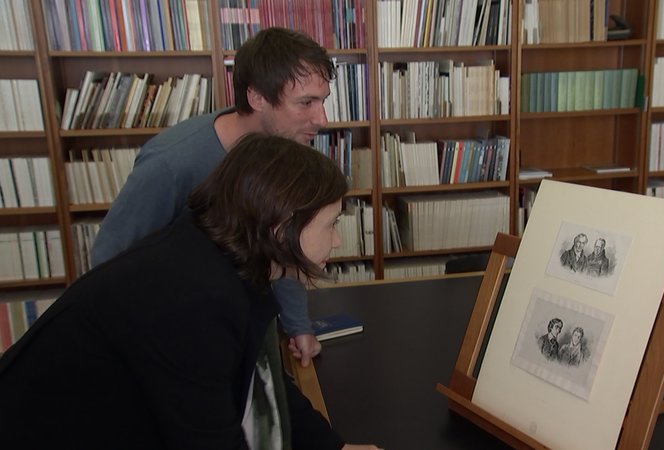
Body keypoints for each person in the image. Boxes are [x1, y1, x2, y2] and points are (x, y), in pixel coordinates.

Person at [0, 135, 380, 450]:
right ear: (281, 227)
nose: (337, 240)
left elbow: (261, 377)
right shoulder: (195, 298)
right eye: (331, 224)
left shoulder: (225, 256)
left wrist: (333, 447)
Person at [90, 27, 334, 367]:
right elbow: (109, 261)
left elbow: (283, 245)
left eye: (323, 101)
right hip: (179, 341)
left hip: (243, 327)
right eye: (306, 102)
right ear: (257, 98)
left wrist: (298, 325)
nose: (322, 119)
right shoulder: (171, 163)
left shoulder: (284, 151)